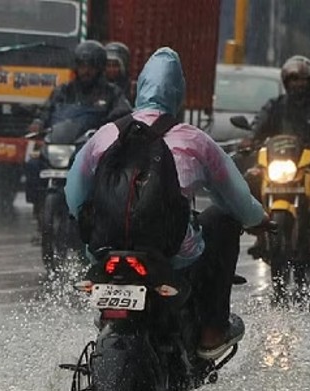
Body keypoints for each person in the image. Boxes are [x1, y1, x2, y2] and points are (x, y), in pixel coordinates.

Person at [65, 47, 270, 360]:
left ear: (140, 88)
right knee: (225, 220)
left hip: (105, 249)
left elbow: (74, 193)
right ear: (179, 93)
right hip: (171, 253)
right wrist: (257, 219)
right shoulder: (193, 139)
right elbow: (234, 197)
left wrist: (90, 239)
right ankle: (212, 330)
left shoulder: (105, 134)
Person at [240, 55, 310, 257]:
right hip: (278, 160)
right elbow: (258, 125)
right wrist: (250, 139)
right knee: (250, 177)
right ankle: (258, 230)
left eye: (303, 79)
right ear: (286, 82)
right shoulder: (275, 105)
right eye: (294, 79)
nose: (299, 84)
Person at [25, 41, 132, 217]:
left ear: (99, 68)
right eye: (82, 66)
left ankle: (103, 214)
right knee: (33, 164)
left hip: (91, 148)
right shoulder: (64, 91)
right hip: (64, 145)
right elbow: (47, 110)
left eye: (91, 66)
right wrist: (38, 122)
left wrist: (111, 125)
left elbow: (123, 112)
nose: (86, 71)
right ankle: (38, 208)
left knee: (108, 171)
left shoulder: (111, 92)